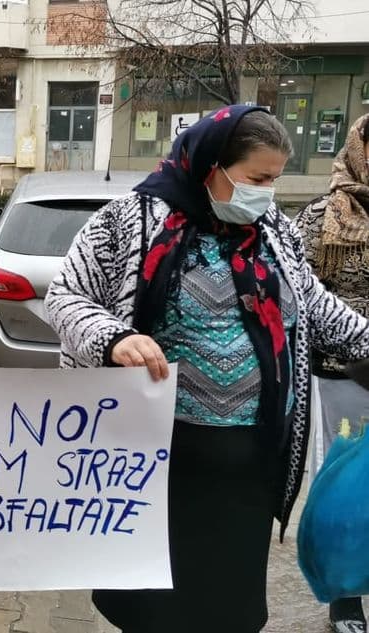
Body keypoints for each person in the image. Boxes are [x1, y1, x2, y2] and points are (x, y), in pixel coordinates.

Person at [44, 105, 369, 633]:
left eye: (275, 180)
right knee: (154, 611)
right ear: (212, 165)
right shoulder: (129, 220)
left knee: (229, 610)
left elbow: (314, 306)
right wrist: (114, 338)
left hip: (247, 470)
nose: (265, 193)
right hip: (156, 466)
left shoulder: (274, 232)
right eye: (257, 178)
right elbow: (66, 298)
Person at [294, 112, 369, 633]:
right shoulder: (321, 217)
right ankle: (345, 598)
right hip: (344, 380)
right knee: (344, 488)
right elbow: (297, 298)